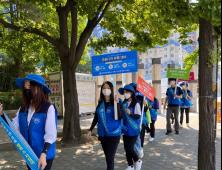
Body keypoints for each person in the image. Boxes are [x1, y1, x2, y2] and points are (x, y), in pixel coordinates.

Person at [0, 74, 57, 170]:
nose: (27, 90)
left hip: (44, 155)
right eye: (25, 88)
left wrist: (44, 154)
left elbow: (51, 134)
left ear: (39, 88)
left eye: (30, 87)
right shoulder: (23, 108)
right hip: (29, 154)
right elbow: (12, 127)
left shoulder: (48, 108)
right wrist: (1, 114)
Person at [87, 81, 122, 170]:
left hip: (114, 134)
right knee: (108, 158)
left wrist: (117, 104)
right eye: (104, 88)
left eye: (108, 88)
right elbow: (96, 118)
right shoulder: (100, 104)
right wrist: (90, 130)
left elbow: (120, 116)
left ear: (111, 89)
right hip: (103, 135)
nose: (106, 90)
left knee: (110, 158)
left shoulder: (116, 102)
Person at [119, 85, 143, 170]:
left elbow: (138, 116)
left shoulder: (135, 103)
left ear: (131, 93)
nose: (125, 93)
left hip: (133, 129)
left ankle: (138, 161)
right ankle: (130, 166)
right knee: (126, 148)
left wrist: (130, 113)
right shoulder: (124, 103)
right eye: (124, 92)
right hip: (125, 129)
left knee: (130, 148)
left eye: (127, 92)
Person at [129, 83, 149, 158]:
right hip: (132, 120)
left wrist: (145, 105)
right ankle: (134, 149)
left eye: (133, 89)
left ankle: (141, 149)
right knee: (134, 135)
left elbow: (146, 110)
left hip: (141, 120)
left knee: (141, 135)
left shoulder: (142, 97)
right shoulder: (129, 99)